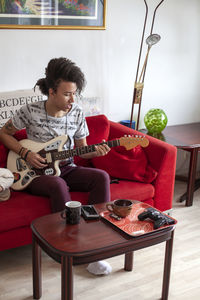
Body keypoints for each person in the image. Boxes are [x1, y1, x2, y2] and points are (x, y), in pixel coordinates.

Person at [0, 57, 112, 275]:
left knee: (102, 177)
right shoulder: (30, 111)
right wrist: (26, 153)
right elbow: (4, 133)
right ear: (51, 91)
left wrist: (97, 150)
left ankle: (95, 245)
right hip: (33, 173)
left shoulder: (78, 113)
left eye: (74, 93)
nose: (72, 98)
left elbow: (82, 148)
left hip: (65, 166)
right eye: (67, 93)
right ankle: (69, 248)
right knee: (57, 184)